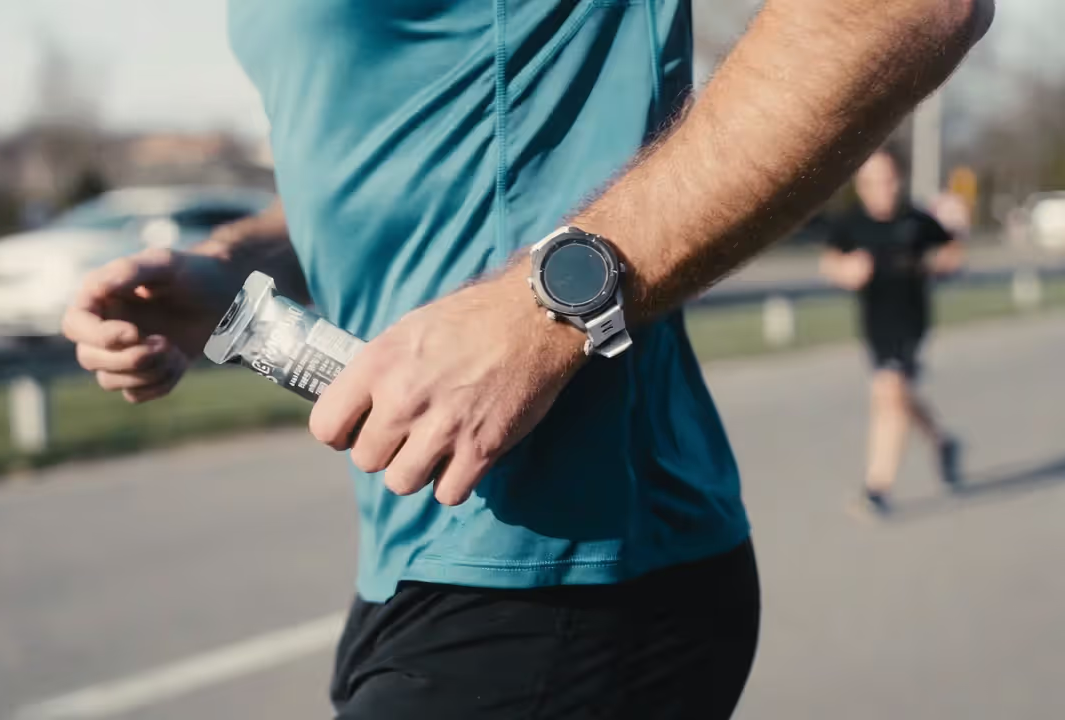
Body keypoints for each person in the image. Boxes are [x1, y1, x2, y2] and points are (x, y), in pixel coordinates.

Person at [62, 1, 993, 717]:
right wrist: (239, 263)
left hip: (578, 563)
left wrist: (538, 312)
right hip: (414, 559)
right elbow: (407, 154)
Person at [821, 149, 966, 516]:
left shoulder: (916, 220)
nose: (881, 189)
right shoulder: (851, 223)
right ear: (860, 185)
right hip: (875, 325)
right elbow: (829, 261)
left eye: (887, 181)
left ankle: (878, 487)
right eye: (872, 182)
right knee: (898, 394)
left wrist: (939, 263)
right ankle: (943, 441)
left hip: (911, 323)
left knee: (888, 393)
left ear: (899, 180)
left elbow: (952, 251)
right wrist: (845, 270)